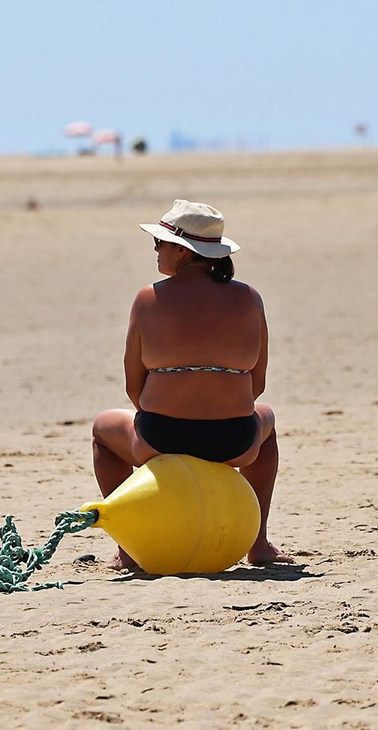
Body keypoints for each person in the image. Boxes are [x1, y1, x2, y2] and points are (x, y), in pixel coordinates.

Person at [91, 199, 286, 570]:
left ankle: (128, 549)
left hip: (160, 438)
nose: (155, 250)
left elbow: (134, 387)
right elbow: (256, 385)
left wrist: (173, 405)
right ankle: (258, 543)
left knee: (103, 428)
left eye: (159, 243)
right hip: (234, 441)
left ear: (181, 251)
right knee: (267, 420)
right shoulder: (249, 298)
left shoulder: (149, 298)